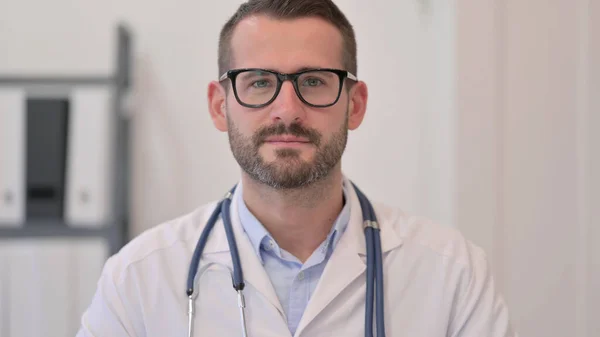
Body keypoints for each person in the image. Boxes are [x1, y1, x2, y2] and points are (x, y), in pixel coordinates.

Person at [76, 0, 518, 336]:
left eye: (313, 81)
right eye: (260, 82)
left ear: (355, 104)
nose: (287, 111)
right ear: (219, 105)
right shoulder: (137, 279)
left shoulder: (452, 275)